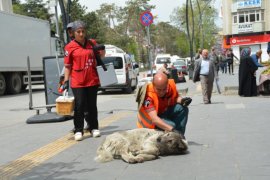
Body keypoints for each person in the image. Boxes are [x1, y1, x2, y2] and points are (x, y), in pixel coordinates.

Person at [63, 20, 102, 141]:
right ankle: (78, 130)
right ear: (73, 33)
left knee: (92, 106)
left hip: (92, 80)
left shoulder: (92, 43)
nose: (81, 34)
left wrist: (100, 50)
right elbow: (68, 66)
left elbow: (101, 56)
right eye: (78, 32)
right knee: (79, 106)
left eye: (83, 31)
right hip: (77, 82)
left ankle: (94, 128)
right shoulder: (69, 47)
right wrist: (65, 81)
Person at [136, 72, 191, 140]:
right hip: (151, 124)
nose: (162, 92)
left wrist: (182, 101)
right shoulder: (148, 97)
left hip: (163, 113)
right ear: (153, 85)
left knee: (183, 108)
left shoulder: (170, 87)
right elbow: (155, 119)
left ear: (167, 85)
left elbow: (175, 98)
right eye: (158, 90)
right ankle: (172, 137)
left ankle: (179, 138)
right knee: (171, 125)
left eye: (164, 89)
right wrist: (172, 129)